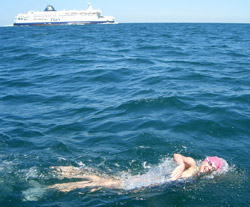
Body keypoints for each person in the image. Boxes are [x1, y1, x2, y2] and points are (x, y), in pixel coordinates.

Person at [47, 154, 223, 192]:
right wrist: (179, 166)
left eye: (212, 168)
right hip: (152, 180)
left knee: (108, 180)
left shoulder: (200, 176)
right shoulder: (192, 166)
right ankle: (64, 185)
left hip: (151, 182)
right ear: (204, 160)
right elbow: (178, 155)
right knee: (108, 184)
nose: (209, 167)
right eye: (209, 163)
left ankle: (69, 171)